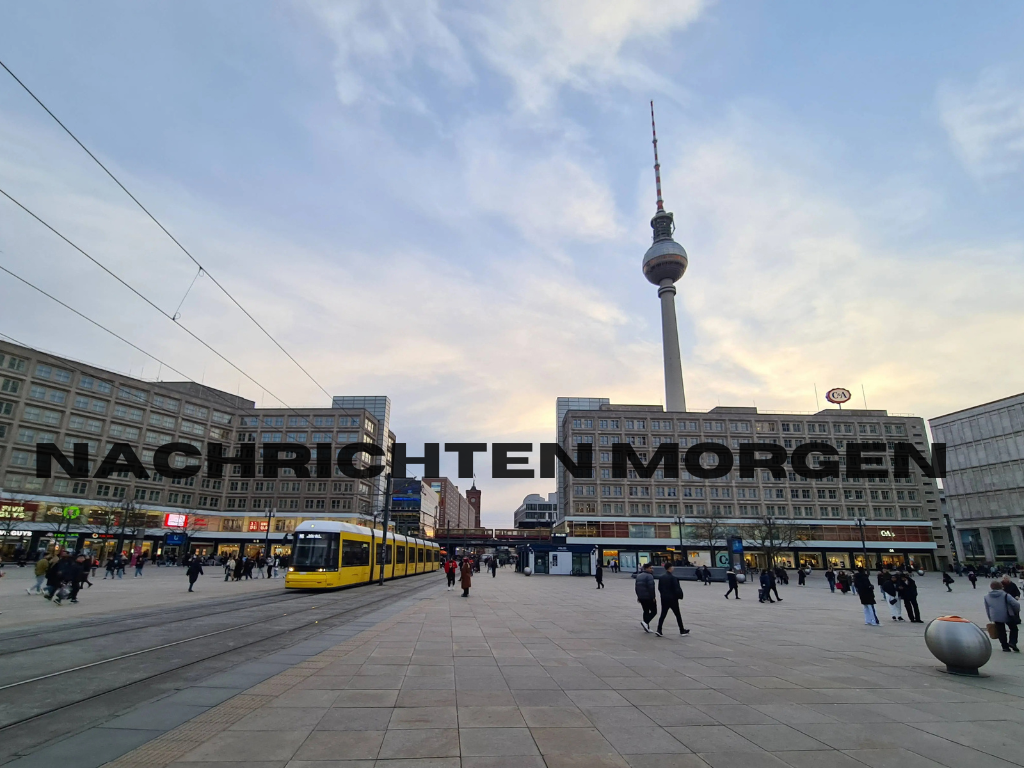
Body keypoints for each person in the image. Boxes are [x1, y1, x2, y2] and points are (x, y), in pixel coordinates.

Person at [984, 580, 1020, 652]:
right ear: (1001, 586)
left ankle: (1005, 647)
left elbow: (987, 608)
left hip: (995, 616)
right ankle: (1012, 642)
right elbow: (1016, 604)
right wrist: (1015, 612)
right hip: (1007, 615)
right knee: (1014, 629)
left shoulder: (987, 597)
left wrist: (990, 618)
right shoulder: (1005, 595)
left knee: (1001, 631)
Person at [656, 563, 689, 637]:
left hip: (664, 598)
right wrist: (680, 596)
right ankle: (682, 630)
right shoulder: (673, 578)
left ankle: (659, 629)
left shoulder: (661, 578)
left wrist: (663, 594)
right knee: (677, 615)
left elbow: (659, 588)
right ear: (670, 568)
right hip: (673, 599)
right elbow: (677, 589)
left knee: (663, 614)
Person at [635, 562, 658, 632]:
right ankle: (645, 622)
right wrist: (653, 597)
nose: (652, 570)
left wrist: (638, 596)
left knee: (646, 611)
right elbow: (651, 588)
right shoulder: (649, 576)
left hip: (641, 597)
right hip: (648, 597)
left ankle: (647, 627)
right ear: (646, 568)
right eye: (650, 568)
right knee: (654, 611)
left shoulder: (638, 576)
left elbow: (636, 587)